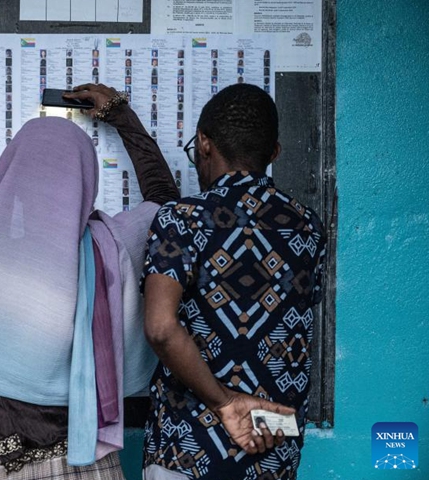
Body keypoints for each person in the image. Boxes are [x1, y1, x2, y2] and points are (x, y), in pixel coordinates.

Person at [0, 83, 179, 479]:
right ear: (86, 181)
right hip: (86, 460)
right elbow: (167, 206)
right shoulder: (110, 251)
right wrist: (120, 115)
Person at [140, 84, 327, 480]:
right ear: (274, 153)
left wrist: (225, 402)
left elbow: (160, 328)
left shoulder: (182, 219)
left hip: (188, 444)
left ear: (205, 144)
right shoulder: (309, 227)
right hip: (274, 446)